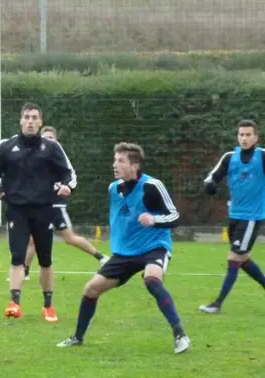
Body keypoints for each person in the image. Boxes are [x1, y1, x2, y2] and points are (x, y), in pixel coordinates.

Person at [57, 142, 190, 354]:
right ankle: (77, 338)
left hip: (154, 248)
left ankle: (180, 335)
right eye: (115, 160)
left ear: (135, 166)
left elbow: (175, 216)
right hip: (125, 254)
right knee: (91, 289)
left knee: (152, 280)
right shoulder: (114, 188)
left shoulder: (152, 186)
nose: (115, 165)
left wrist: (154, 220)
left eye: (120, 161)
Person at [0, 103, 76, 323]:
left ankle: (48, 306)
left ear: (40, 122)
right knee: (17, 257)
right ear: (21, 120)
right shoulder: (6, 147)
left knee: (45, 259)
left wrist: (67, 187)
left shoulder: (51, 148)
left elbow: (69, 173)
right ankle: (14, 303)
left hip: (44, 209)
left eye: (35, 117)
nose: (31, 121)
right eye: (27, 117)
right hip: (17, 210)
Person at [16, 126, 109, 282]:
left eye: (51, 138)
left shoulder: (58, 159)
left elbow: (68, 177)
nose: (48, 141)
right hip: (39, 207)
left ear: (57, 141)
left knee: (69, 238)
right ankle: (24, 271)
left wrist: (64, 186)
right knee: (32, 239)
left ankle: (101, 257)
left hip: (55, 207)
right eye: (45, 138)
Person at [199, 119, 265, 313]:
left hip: (252, 217)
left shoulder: (262, 157)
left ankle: (217, 304)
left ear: (256, 138)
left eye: (248, 135)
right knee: (242, 258)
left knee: (234, 257)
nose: (244, 138)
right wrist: (210, 185)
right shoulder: (229, 157)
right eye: (241, 135)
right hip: (234, 215)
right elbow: (212, 177)